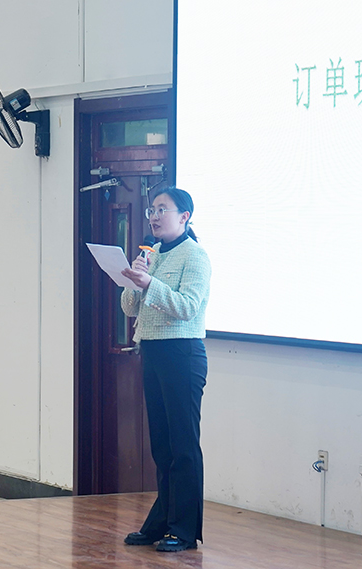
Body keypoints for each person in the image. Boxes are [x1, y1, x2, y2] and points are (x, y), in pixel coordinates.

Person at [119, 187, 211, 552]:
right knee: (161, 445)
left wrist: (150, 283)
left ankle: (184, 530)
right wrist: (135, 279)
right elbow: (130, 308)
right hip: (154, 352)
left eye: (162, 210)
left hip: (183, 355)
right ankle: (162, 523)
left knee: (183, 445)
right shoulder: (153, 253)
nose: (155, 217)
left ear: (184, 216)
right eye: (152, 210)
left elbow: (188, 307)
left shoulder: (196, 256)